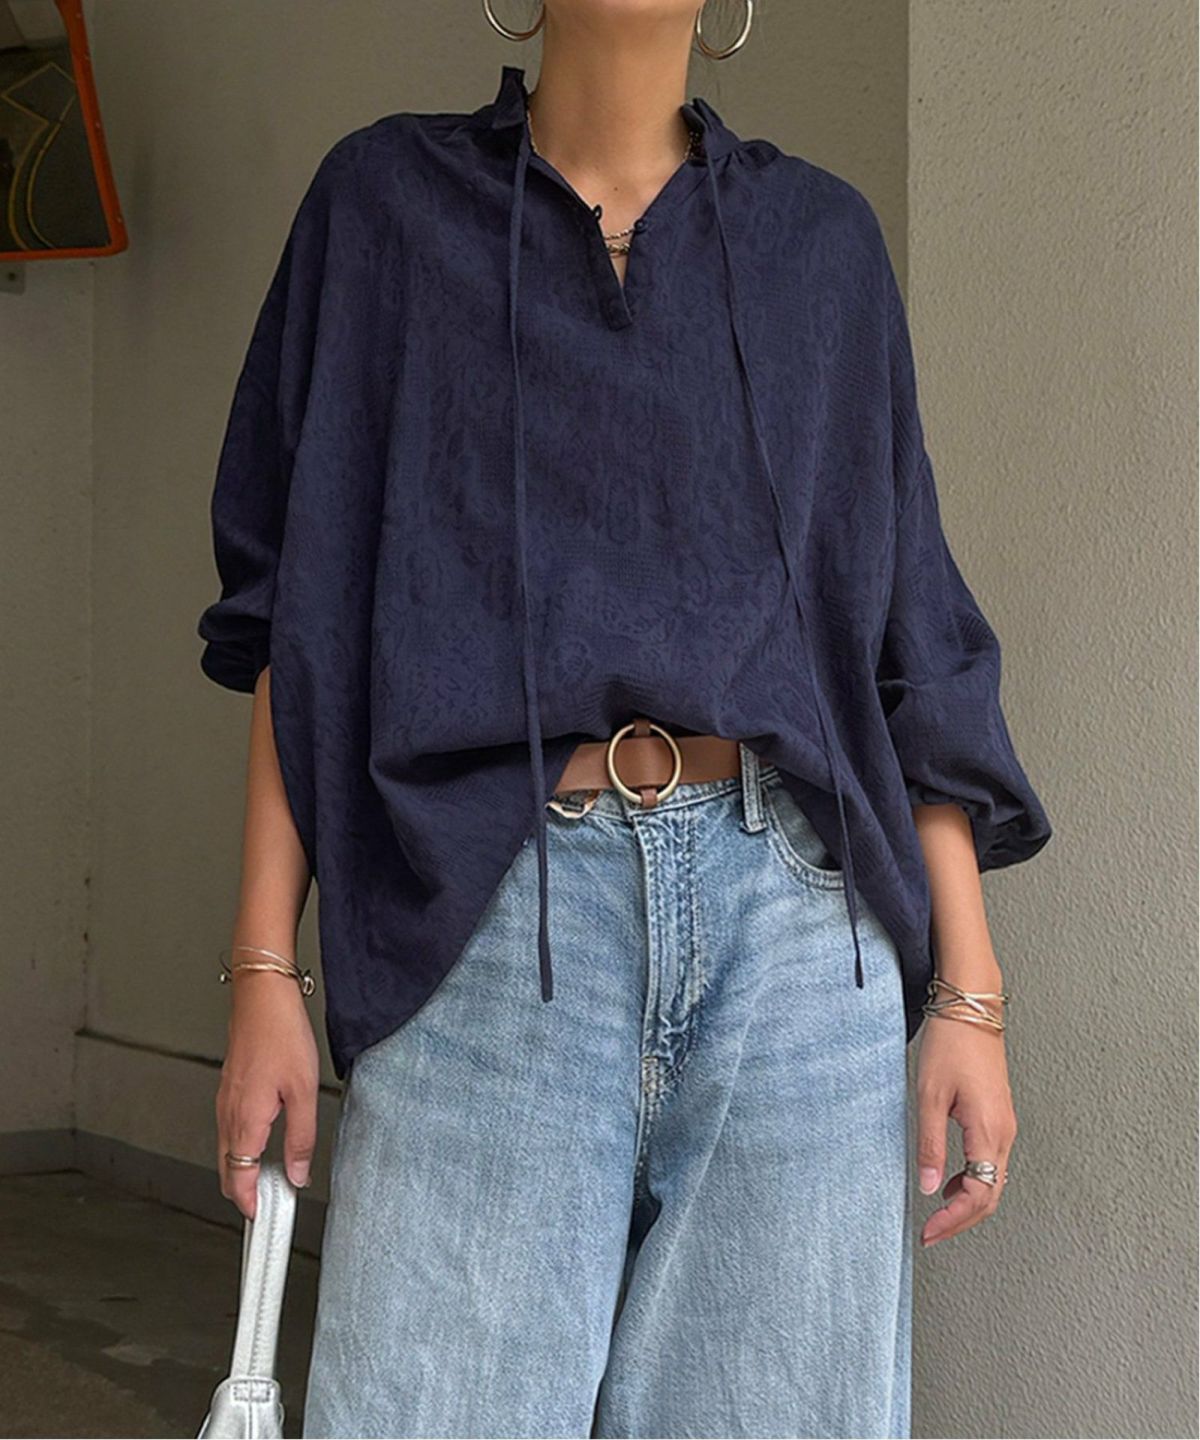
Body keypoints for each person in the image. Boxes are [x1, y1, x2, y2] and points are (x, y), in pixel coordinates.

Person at [196, 3, 1053, 1436]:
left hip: (798, 936)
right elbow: (301, 614)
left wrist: (971, 992)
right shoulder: (383, 207)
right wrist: (263, 968)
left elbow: (904, 633)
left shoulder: (821, 247)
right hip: (484, 920)